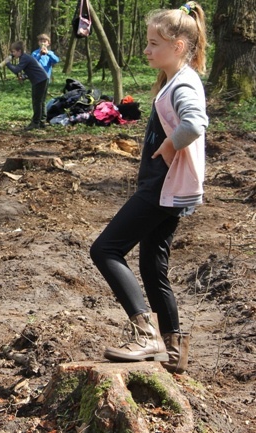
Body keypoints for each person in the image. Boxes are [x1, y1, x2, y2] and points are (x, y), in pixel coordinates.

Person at [89, 1, 207, 374]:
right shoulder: (177, 79)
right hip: (168, 187)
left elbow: (195, 122)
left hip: (162, 187)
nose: (146, 49)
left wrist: (171, 144)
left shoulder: (184, 83)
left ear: (179, 46)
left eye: (154, 43)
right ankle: (173, 351)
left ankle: (146, 335)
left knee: (106, 249)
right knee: (153, 265)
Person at [2, 41, 49, 130]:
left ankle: (36, 123)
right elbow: (32, 70)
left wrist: (7, 63)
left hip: (40, 80)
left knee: (37, 102)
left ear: (19, 51)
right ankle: (41, 122)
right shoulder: (24, 57)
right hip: (42, 78)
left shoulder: (24, 58)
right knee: (41, 101)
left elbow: (16, 70)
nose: (12, 54)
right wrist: (24, 76)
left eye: (14, 52)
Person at [31, 34, 59, 126]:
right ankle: (41, 120)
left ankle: (38, 121)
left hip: (45, 78)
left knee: (40, 100)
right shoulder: (35, 53)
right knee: (37, 100)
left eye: (45, 41)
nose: (43, 42)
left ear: (48, 43)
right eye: (41, 41)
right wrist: (39, 55)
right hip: (36, 78)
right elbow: (32, 62)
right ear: (38, 43)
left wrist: (48, 53)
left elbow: (56, 60)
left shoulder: (50, 53)